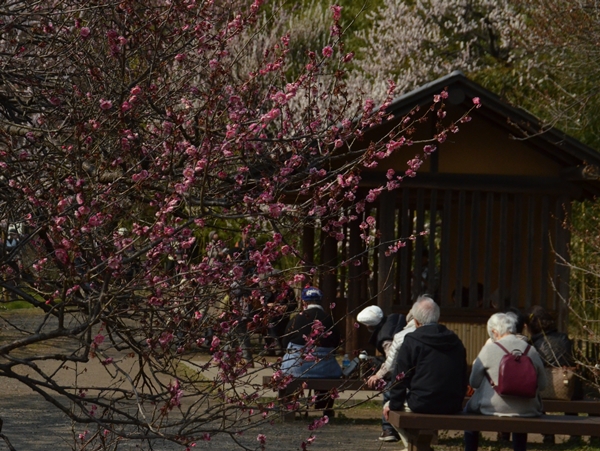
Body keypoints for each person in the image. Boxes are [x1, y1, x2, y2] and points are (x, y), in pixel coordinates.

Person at [383, 296, 467, 449]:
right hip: (452, 403)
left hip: (421, 402)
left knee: (388, 407)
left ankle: (415, 447)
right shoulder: (455, 340)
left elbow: (400, 377)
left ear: (415, 321)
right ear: (438, 317)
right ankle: (419, 447)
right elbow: (462, 377)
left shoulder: (412, 340)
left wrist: (394, 404)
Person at [464, 312, 547, 451]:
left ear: (495, 332)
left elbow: (474, 383)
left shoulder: (489, 349)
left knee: (468, 412)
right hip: (528, 409)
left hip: (492, 408)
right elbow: (543, 385)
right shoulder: (530, 350)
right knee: (519, 412)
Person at [281, 286, 341, 414]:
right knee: (326, 373)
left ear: (303, 302)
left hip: (296, 368)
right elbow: (336, 343)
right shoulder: (329, 319)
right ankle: (324, 407)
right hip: (325, 369)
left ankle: (288, 407)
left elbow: (284, 342)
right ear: (321, 301)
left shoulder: (296, 319)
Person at [356, 305, 407, 442]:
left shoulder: (386, 339)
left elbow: (392, 361)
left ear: (369, 326)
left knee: (389, 390)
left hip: (404, 369)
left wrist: (378, 375)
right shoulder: (394, 320)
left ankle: (388, 428)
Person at [527, 305, 577, 445]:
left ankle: (548, 434)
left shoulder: (533, 344)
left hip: (543, 390)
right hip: (566, 387)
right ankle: (575, 435)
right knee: (573, 388)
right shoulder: (564, 338)